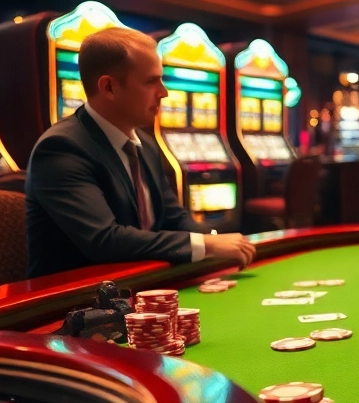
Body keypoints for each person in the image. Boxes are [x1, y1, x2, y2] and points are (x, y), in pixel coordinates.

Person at [26, 28, 256, 278]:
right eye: (150, 81)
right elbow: (104, 240)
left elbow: (172, 216)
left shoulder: (144, 145)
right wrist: (206, 245)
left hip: (139, 283)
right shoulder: (62, 148)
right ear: (109, 87)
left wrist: (215, 240)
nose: (164, 92)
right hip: (72, 302)